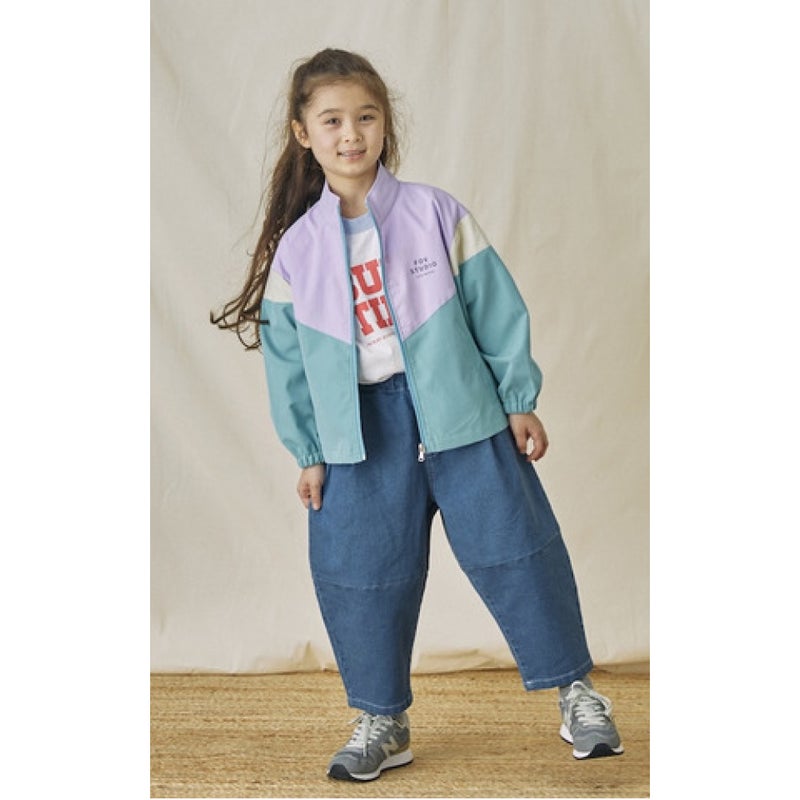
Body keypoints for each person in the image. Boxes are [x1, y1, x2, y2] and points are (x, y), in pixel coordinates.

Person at [211, 47, 623, 782]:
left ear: (385, 125)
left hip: (463, 415)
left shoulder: (437, 213)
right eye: (332, 120)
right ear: (303, 133)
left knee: (519, 550)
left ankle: (577, 693)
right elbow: (287, 363)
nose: (351, 134)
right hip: (357, 436)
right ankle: (382, 718)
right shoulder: (298, 250)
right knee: (360, 571)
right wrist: (309, 450)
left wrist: (517, 400)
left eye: (366, 117)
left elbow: (495, 307)